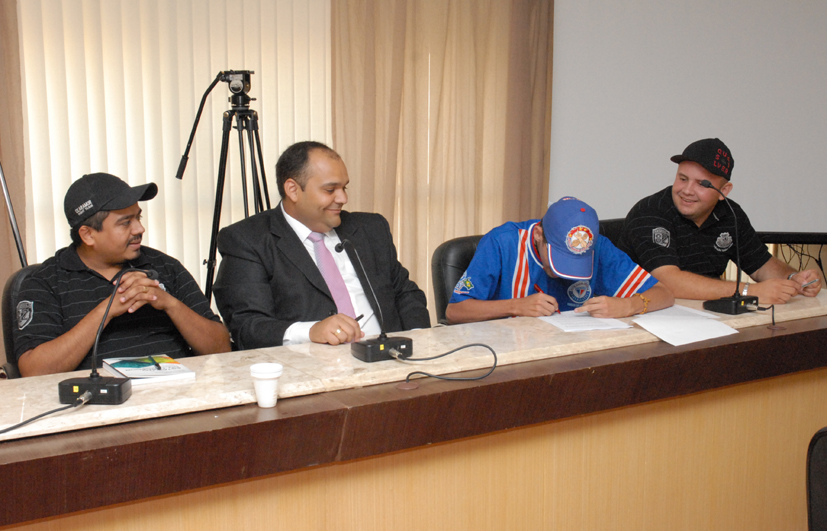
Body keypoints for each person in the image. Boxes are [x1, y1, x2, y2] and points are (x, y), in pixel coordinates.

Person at [213, 141, 430, 349]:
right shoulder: (247, 240)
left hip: (391, 358)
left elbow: (406, 294)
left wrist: (418, 341)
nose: (343, 198)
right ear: (293, 189)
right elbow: (247, 326)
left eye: (344, 187)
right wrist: (311, 331)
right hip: (311, 366)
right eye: (330, 190)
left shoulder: (371, 228)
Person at [13, 173, 231, 377]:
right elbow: (34, 372)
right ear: (88, 235)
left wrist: (169, 303)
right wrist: (107, 310)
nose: (139, 229)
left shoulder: (165, 266)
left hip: (178, 394)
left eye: (138, 217)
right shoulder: (44, 282)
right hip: (97, 399)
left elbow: (222, 348)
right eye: (126, 222)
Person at [618, 138, 822, 304]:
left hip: (705, 313)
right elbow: (669, 281)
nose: (687, 190)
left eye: (702, 184)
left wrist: (793, 279)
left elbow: (761, 265)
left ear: (724, 191)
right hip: (644, 312)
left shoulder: (731, 214)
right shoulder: (650, 212)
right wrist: (750, 291)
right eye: (682, 179)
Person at [445, 196, 673, 324]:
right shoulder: (501, 243)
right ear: (538, 235)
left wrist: (627, 305)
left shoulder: (598, 247)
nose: (564, 272)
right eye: (559, 259)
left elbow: (664, 294)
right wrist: (515, 306)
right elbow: (455, 311)